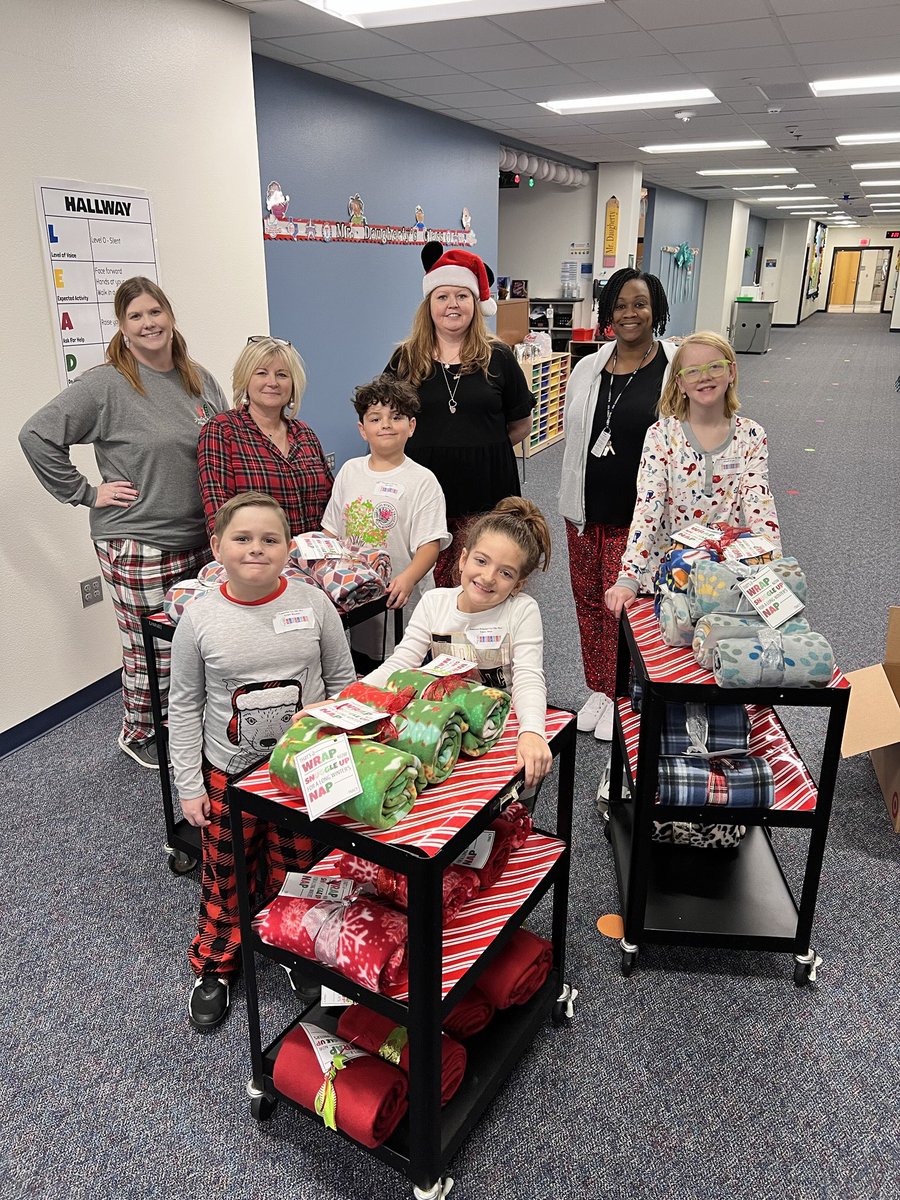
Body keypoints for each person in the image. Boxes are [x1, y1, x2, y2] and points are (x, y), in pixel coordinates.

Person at [19, 276, 227, 770]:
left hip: (199, 537)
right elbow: (36, 435)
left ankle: (187, 722)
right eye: (135, 316)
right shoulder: (107, 383)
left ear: (170, 316)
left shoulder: (197, 377)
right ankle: (140, 731)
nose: (148, 323)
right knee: (149, 646)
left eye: (155, 312)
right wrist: (86, 493)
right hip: (137, 540)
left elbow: (221, 437)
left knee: (194, 638)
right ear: (123, 327)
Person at [167, 491, 356, 1030]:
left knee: (302, 864)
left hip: (305, 768)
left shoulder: (313, 602)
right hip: (229, 771)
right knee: (227, 871)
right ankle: (217, 963)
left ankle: (297, 947)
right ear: (217, 547)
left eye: (270, 540)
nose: (256, 549)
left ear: (289, 548)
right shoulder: (199, 620)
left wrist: (349, 754)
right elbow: (182, 707)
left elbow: (343, 682)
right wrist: (188, 783)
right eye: (242, 539)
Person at [558, 268, 676, 742]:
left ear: (656, 310)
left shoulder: (670, 368)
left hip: (639, 516)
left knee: (625, 607)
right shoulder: (588, 367)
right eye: (620, 304)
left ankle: (626, 695)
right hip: (585, 509)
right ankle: (600, 689)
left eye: (640, 304)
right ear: (607, 312)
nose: (630, 313)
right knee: (588, 602)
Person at [365, 497, 553, 789]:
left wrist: (531, 732)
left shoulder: (522, 610)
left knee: (508, 808)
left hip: (501, 727)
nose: (488, 577)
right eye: (481, 561)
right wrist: (356, 693)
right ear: (463, 559)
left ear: (517, 585)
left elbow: (529, 677)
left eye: (506, 573)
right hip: (447, 726)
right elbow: (403, 662)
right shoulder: (434, 603)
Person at [387, 242, 535, 588]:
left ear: (475, 304)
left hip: (488, 490)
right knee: (428, 584)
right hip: (425, 490)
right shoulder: (406, 359)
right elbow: (385, 419)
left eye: (462, 296)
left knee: (484, 581)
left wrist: (481, 445)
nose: (452, 305)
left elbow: (521, 423)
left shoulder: (499, 357)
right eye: (442, 297)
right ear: (429, 305)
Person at [605, 331, 782, 618]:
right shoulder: (661, 436)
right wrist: (629, 575)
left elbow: (760, 505)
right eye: (693, 371)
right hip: (669, 576)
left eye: (715, 366)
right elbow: (648, 508)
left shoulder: (751, 435)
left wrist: (774, 566)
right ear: (680, 383)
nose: (705, 377)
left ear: (731, 372)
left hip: (729, 576)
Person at [321, 373, 450, 671]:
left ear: (411, 426)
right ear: (362, 430)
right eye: (375, 419)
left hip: (403, 601)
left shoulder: (422, 480)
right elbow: (331, 529)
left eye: (396, 417)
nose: (386, 425)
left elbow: (430, 545)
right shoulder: (350, 471)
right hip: (356, 599)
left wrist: (408, 578)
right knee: (364, 667)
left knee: (405, 672)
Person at [198, 336, 333, 538]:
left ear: (293, 384)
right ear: (245, 380)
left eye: (282, 375)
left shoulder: (306, 435)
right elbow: (219, 515)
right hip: (255, 561)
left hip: (311, 559)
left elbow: (332, 505)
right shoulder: (221, 431)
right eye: (261, 373)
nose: (273, 382)